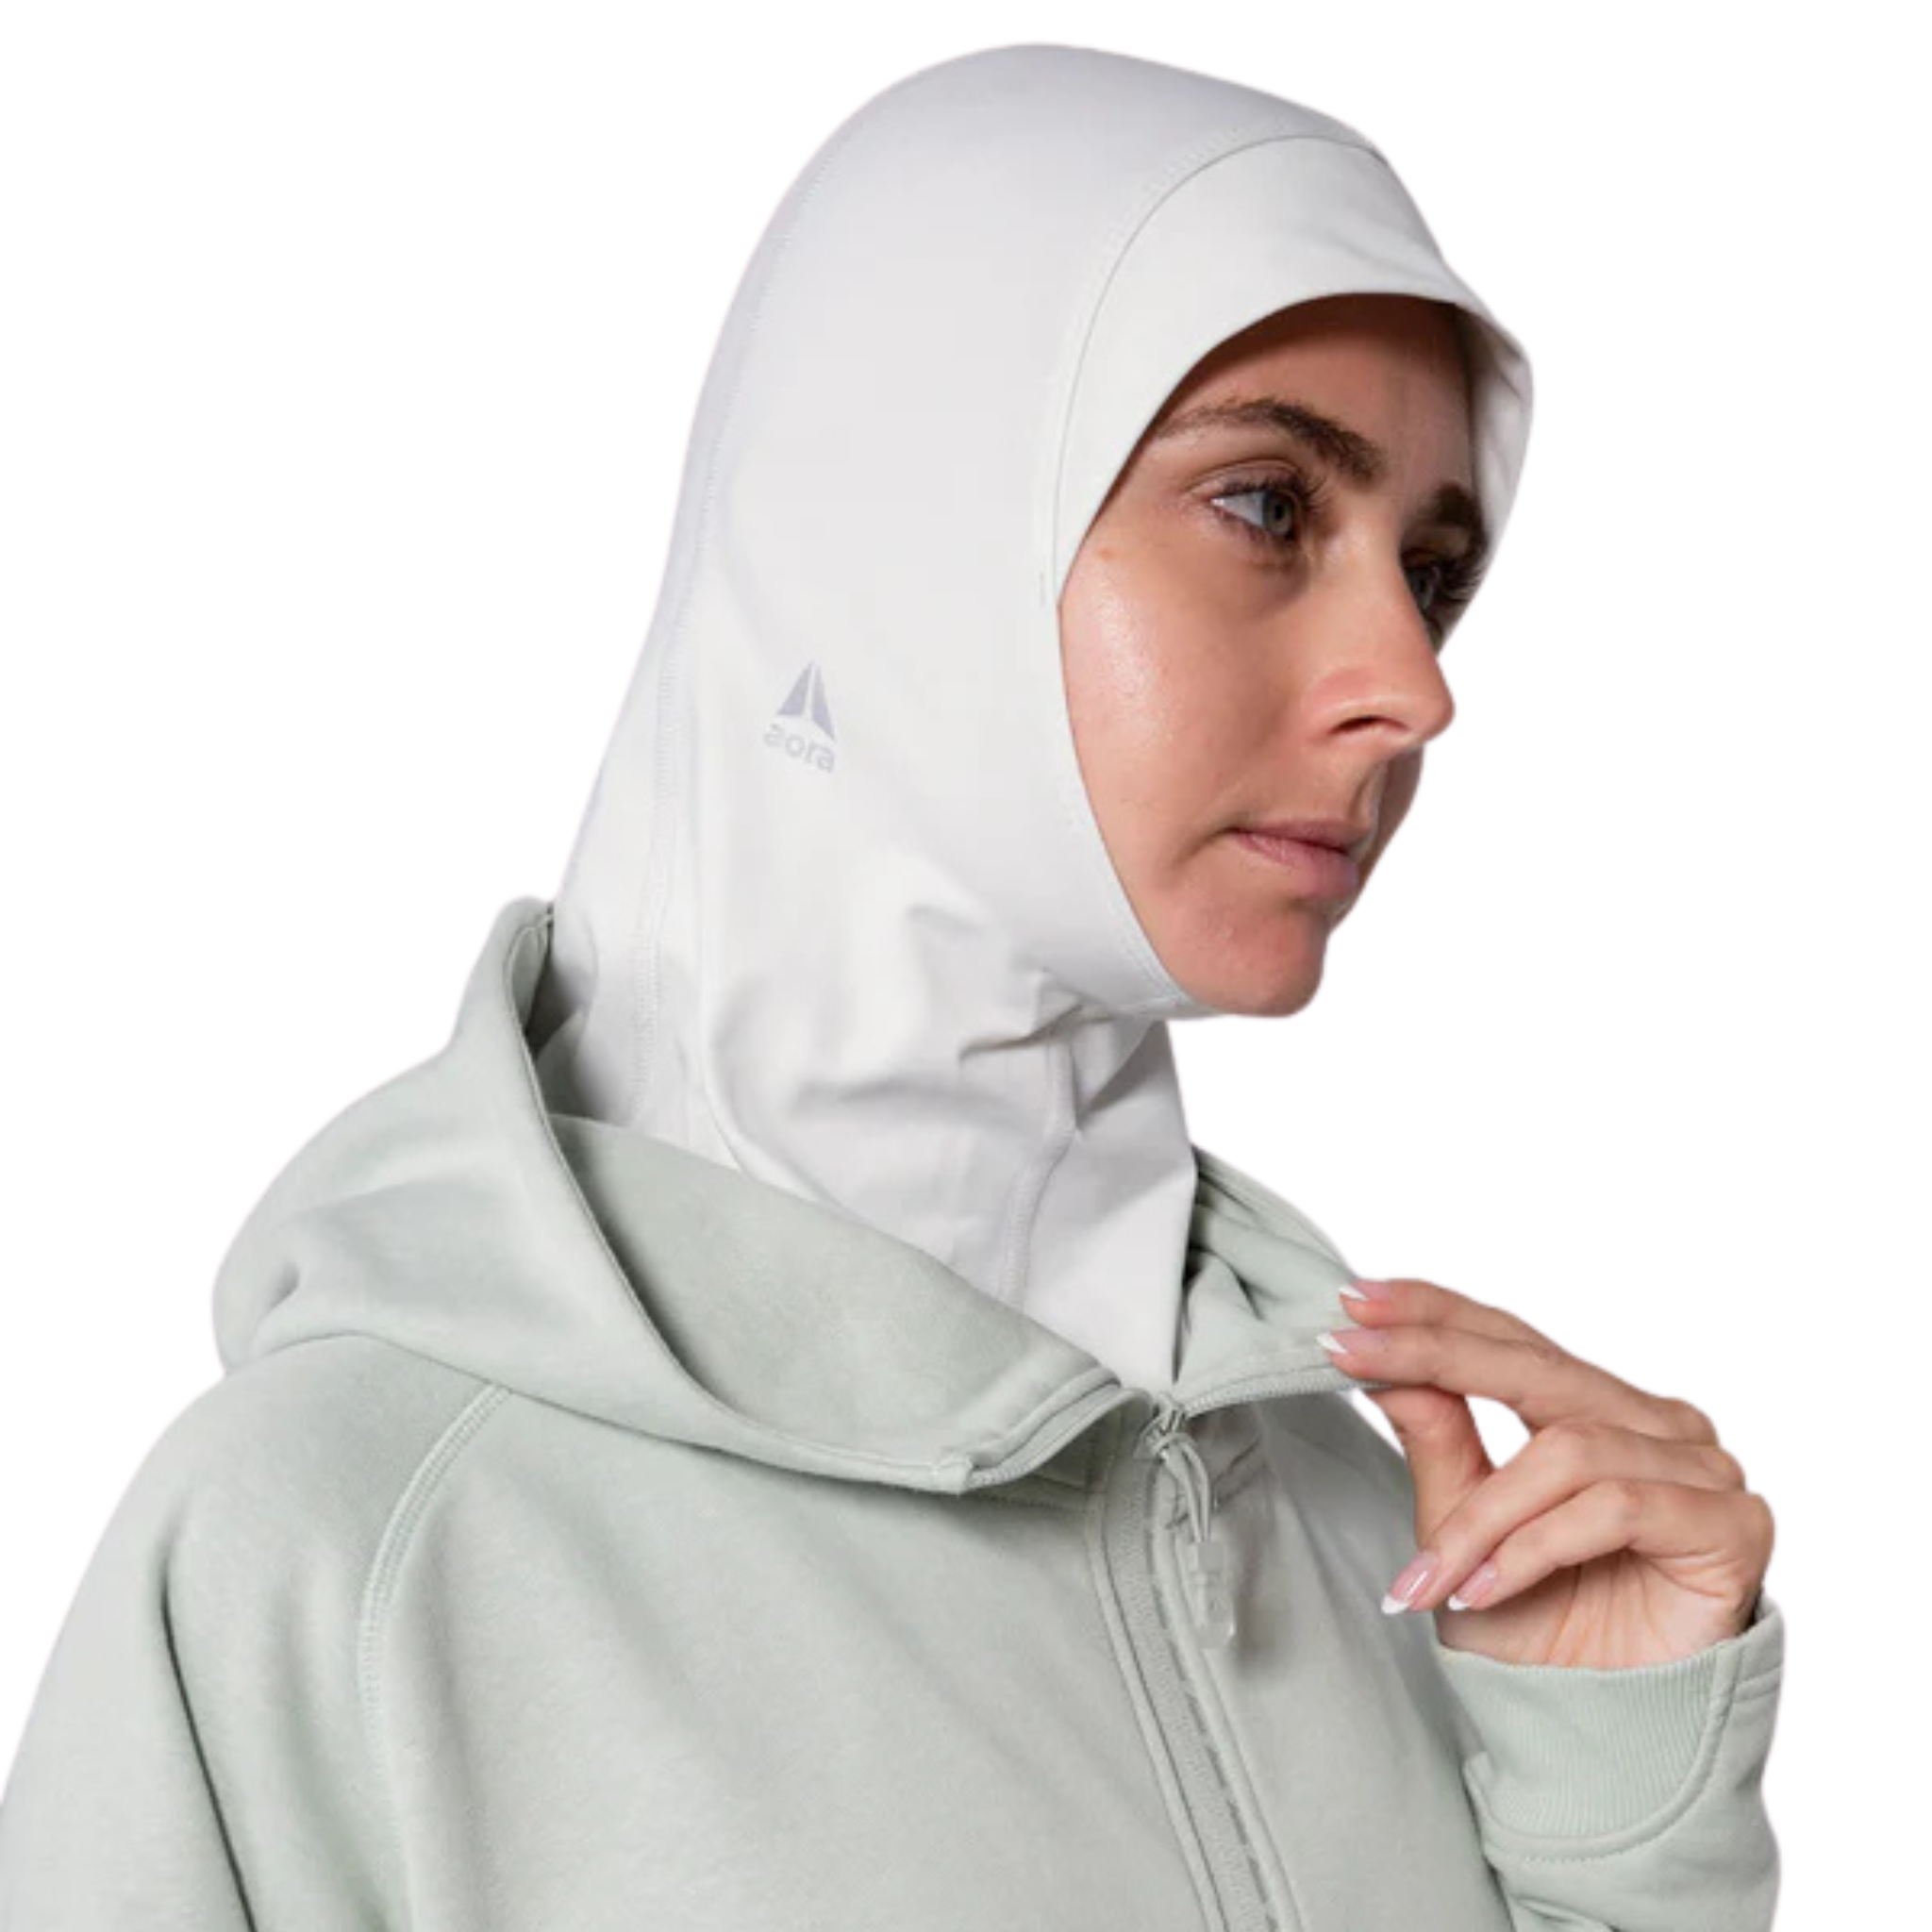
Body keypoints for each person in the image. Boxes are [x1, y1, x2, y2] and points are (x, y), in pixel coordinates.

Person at [0, 42, 1783, 1930]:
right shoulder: (337, 1546)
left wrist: (1619, 1821)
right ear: (898, 523)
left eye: (1431, 574)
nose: (1413, 687)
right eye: (1269, 507)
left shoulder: (1382, 1522)